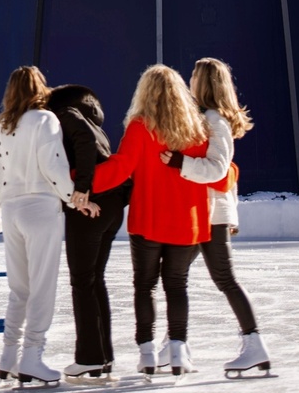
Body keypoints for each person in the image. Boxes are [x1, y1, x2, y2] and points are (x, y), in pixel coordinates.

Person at [91, 64, 210, 378]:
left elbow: (120, 169)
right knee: (177, 286)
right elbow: (218, 170)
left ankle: (146, 352)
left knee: (144, 286)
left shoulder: (140, 127)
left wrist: (81, 182)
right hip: (186, 222)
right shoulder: (197, 129)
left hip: (148, 221)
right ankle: (178, 353)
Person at [0, 67, 97, 386]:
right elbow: (54, 166)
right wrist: (75, 198)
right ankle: (32, 355)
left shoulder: (2, 127)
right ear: (39, 89)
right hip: (41, 209)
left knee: (19, 289)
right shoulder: (45, 120)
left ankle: (8, 355)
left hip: (13, 209)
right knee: (42, 286)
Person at [159, 58, 271, 376]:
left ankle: (252, 344)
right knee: (176, 275)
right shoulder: (205, 118)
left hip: (210, 214)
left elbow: (219, 169)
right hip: (203, 211)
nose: (190, 79)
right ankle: (174, 343)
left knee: (220, 278)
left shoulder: (215, 120)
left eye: (194, 75)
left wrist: (180, 163)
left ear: (206, 82)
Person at [46, 85, 131, 379]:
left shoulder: (65, 113)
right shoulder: (97, 127)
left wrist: (81, 188)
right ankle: (103, 356)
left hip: (88, 206)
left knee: (82, 281)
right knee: (94, 281)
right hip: (111, 207)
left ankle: (89, 357)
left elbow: (81, 141)